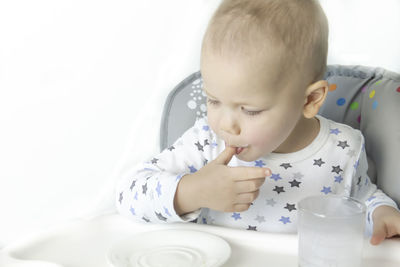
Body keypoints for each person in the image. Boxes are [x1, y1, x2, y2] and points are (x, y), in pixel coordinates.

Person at [116, 0, 400, 245]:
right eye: (213, 100)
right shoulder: (206, 142)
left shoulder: (344, 148)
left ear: (310, 100)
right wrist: (192, 192)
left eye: (250, 110)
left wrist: (381, 214)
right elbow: (129, 195)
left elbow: (363, 197)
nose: (226, 124)